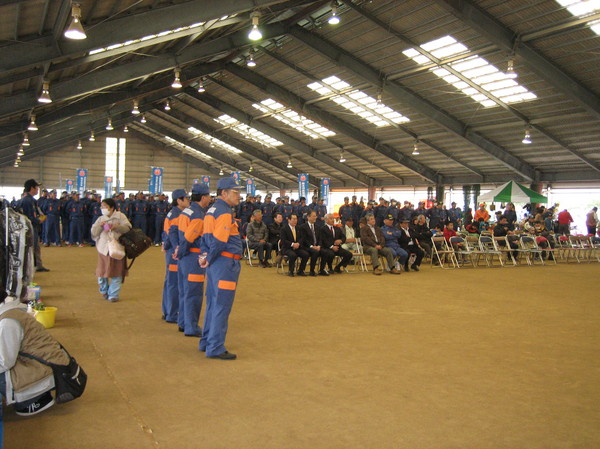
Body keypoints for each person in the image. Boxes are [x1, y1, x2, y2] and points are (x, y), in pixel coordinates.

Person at [0, 297, 71, 416]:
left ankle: (29, 400)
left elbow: (4, 362)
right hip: (50, 366)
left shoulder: (8, 322)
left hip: (48, 370)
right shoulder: (11, 311)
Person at [199, 178, 244, 360]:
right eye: (235, 192)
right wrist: (209, 257)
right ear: (224, 193)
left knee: (213, 303)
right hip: (225, 264)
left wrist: (205, 257)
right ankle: (215, 347)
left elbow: (205, 238)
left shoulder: (211, 210)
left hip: (216, 264)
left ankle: (206, 341)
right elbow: (219, 241)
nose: (239, 196)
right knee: (222, 305)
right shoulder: (224, 212)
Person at [175, 183, 211, 337]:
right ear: (203, 197)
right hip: (193, 257)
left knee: (184, 291)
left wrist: (180, 253)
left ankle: (183, 322)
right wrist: (181, 252)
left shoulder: (186, 211)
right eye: (208, 196)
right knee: (194, 293)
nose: (210, 199)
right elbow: (189, 238)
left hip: (185, 259)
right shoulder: (198, 215)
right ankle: (191, 327)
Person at [91, 198, 132, 302]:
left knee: (117, 272)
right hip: (103, 249)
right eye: (101, 206)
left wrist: (116, 227)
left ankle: (113, 294)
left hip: (118, 249)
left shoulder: (121, 216)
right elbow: (94, 233)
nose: (102, 208)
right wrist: (100, 226)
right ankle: (104, 290)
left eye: (105, 206)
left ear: (112, 207)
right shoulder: (100, 219)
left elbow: (128, 228)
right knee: (102, 272)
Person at [161, 189, 189, 324]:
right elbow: (171, 235)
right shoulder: (176, 215)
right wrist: (177, 249)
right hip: (174, 253)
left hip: (171, 251)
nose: (189, 201)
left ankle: (168, 311)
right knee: (174, 283)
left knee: (170, 282)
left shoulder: (174, 213)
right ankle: (172, 313)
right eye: (186, 198)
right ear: (179, 200)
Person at [20, 179, 49, 272]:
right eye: (36, 187)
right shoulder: (27, 201)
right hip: (30, 227)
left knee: (35, 246)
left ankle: (37, 265)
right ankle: (32, 266)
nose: (37, 189)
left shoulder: (30, 200)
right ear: (32, 188)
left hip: (32, 227)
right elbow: (28, 217)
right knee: (32, 247)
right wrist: (39, 220)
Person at [299, 210, 327, 276]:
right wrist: (311, 246)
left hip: (316, 246)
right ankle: (311, 270)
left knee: (325, 252)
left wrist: (319, 246)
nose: (315, 217)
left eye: (316, 216)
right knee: (315, 252)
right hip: (307, 246)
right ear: (308, 217)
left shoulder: (318, 227)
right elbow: (304, 239)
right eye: (314, 216)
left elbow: (320, 238)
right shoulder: (303, 227)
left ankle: (321, 270)